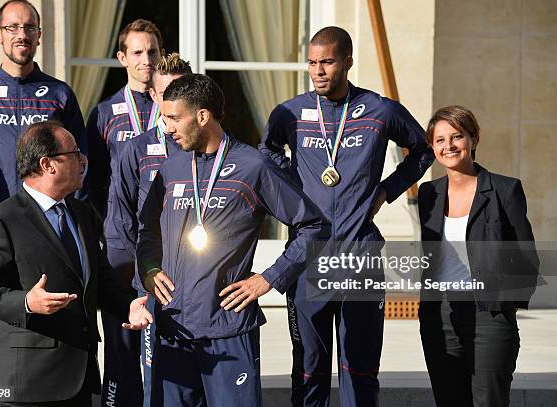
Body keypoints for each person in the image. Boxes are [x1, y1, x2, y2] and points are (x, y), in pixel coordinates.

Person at [259, 26, 434, 406]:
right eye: (312, 62)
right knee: (309, 368)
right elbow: (267, 153)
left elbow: (422, 150)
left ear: (348, 62)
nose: (318, 70)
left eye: (328, 61)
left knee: (359, 368)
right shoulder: (289, 113)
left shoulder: (379, 110)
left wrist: (387, 191)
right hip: (309, 260)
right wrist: (294, 190)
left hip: (360, 257)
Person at [136, 74, 326, 406]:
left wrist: (269, 278)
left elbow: (315, 228)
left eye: (174, 118)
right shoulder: (171, 167)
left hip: (228, 327)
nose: (166, 127)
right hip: (174, 328)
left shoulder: (253, 166)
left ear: (202, 116)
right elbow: (146, 230)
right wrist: (150, 270)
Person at [0, 0, 85, 393]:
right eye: (12, 27)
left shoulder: (59, 94)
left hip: (47, 234)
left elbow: (80, 169)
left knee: (45, 326)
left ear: (39, 34)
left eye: (29, 27)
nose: (21, 34)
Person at [0, 121, 152, 406]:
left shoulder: (82, 213)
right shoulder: (1, 220)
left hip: (81, 380)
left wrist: (126, 306)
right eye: (74, 153)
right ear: (47, 164)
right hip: (26, 384)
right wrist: (27, 302)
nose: (83, 160)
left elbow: (99, 279)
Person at [417, 105, 539, 407]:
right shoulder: (428, 194)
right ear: (432, 146)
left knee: (489, 401)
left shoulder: (504, 189)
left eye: (457, 136)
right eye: (440, 140)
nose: (449, 146)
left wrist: (504, 303)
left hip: (490, 315)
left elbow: (527, 256)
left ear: (473, 139)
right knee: (449, 400)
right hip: (440, 315)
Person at [84, 19, 164, 407]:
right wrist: (107, 231)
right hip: (119, 247)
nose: (146, 60)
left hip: (168, 244)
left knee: (165, 344)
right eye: (137, 52)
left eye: (152, 51)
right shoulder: (104, 114)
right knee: (121, 346)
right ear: (122, 58)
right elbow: (91, 183)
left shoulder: (175, 108)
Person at [115, 52, 191, 405]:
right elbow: (121, 220)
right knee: (156, 385)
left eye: (181, 92)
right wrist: (135, 286)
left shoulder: (210, 148)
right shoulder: (136, 149)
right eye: (165, 93)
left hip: (200, 282)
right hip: (154, 283)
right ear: (154, 97)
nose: (172, 101)